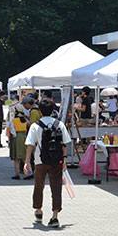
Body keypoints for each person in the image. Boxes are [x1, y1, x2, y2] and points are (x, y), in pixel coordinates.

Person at [24, 98, 71, 228]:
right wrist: (65, 160)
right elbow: (64, 144)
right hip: (57, 160)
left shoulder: (35, 126)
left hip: (40, 161)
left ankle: (39, 211)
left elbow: (30, 145)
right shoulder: (59, 124)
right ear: (53, 110)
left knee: (39, 185)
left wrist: (27, 161)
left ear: (39, 111)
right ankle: (55, 216)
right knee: (56, 187)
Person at [8, 104, 31, 180]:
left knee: (17, 158)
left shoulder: (14, 120)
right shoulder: (24, 121)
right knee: (24, 156)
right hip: (24, 137)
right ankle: (30, 172)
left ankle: (17, 174)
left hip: (17, 138)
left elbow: (12, 131)